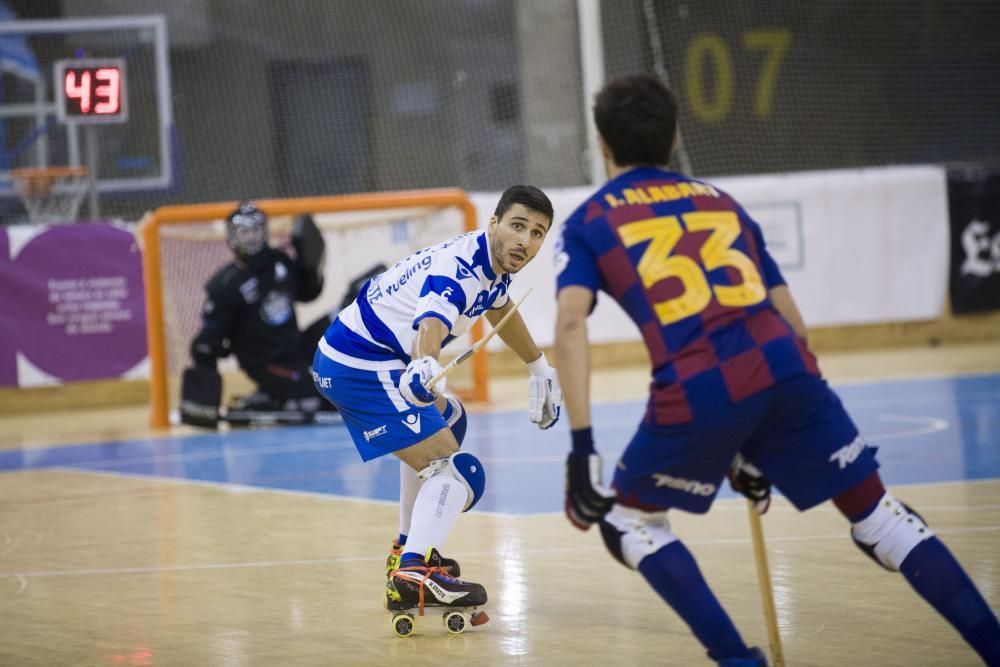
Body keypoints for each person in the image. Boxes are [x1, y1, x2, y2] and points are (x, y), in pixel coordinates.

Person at [553, 74, 1000, 666]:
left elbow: (568, 324)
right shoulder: (720, 201)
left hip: (698, 384)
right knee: (882, 518)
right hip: (789, 368)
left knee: (630, 522)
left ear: (603, 145)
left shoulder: (589, 221)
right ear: (675, 137)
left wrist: (582, 446)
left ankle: (739, 660)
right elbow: (795, 322)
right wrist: (756, 440)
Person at [312, 184, 562, 620]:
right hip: (360, 364)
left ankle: (407, 551)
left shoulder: (491, 263)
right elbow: (433, 316)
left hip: (360, 355)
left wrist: (538, 365)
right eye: (518, 226)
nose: (525, 240)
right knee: (460, 471)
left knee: (451, 418)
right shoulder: (462, 270)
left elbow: (499, 309)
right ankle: (413, 571)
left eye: (537, 233)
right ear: (494, 224)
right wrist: (424, 362)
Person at [179, 201, 334, 428]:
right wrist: (203, 397)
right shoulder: (225, 286)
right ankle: (270, 396)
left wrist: (310, 267)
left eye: (256, 231)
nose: (251, 239)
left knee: (342, 322)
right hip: (266, 365)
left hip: (296, 347)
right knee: (327, 385)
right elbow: (206, 343)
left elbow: (307, 294)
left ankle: (280, 392)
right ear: (232, 238)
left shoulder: (280, 261)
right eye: (245, 233)